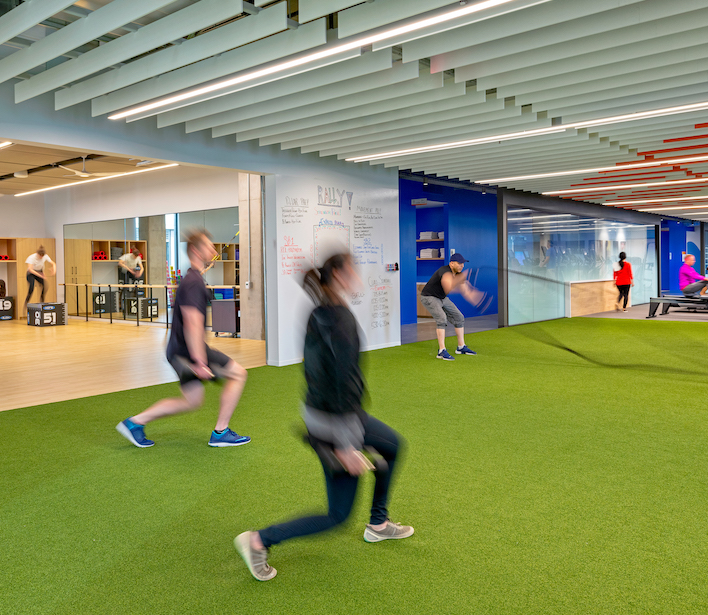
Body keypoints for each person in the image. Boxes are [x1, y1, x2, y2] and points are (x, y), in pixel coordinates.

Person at [234, 253, 412, 582]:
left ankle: (379, 523)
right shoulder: (338, 319)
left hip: (330, 418)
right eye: (354, 271)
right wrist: (345, 446)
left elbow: (320, 376)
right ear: (341, 275)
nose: (358, 276)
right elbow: (341, 383)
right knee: (338, 515)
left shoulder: (320, 312)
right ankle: (259, 540)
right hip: (336, 425)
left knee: (393, 446)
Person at [116, 229, 249, 448]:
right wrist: (199, 361)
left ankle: (135, 423)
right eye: (208, 246)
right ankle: (220, 432)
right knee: (238, 374)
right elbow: (192, 323)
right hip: (188, 351)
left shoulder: (192, 278)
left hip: (178, 350)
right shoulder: (194, 283)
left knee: (192, 401)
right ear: (196, 251)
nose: (214, 250)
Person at [419, 253, 483, 361]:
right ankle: (441, 351)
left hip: (442, 298)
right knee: (442, 318)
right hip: (429, 297)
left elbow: (465, 289)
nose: (462, 266)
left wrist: (477, 298)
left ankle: (461, 347)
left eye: (463, 263)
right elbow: (448, 286)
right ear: (452, 263)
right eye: (459, 263)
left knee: (459, 317)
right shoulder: (444, 271)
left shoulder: (458, 273)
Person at [23, 245, 55, 314]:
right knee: (31, 288)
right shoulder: (31, 257)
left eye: (42, 257)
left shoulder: (45, 256)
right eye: (40, 256)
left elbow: (53, 263)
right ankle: (26, 304)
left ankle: (42, 302)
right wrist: (41, 275)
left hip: (39, 272)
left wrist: (53, 270)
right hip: (31, 273)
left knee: (45, 286)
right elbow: (31, 270)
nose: (41, 258)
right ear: (37, 254)